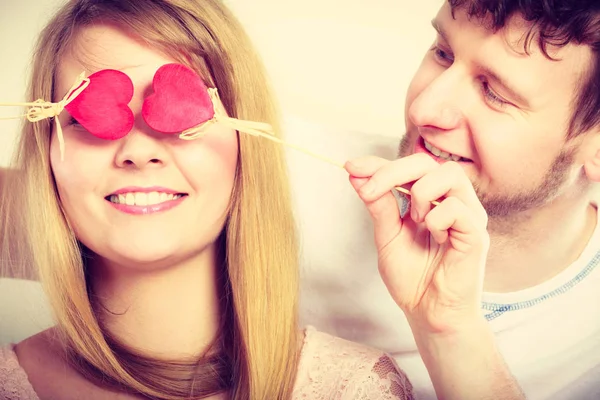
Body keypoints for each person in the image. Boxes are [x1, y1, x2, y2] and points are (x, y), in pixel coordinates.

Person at [0, 1, 524, 399]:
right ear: (48, 157)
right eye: (86, 119)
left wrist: (449, 325)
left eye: (183, 117)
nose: (138, 152)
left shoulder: (355, 388)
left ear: (244, 144)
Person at [304, 0, 600, 399]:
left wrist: (448, 330)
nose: (423, 109)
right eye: (442, 53)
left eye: (495, 93)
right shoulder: (291, 178)